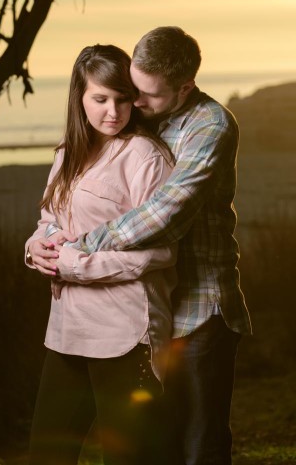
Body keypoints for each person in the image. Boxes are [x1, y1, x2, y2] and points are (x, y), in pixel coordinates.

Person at [32, 26, 252, 465]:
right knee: (162, 445)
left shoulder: (209, 125)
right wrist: (39, 243)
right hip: (152, 302)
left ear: (184, 87)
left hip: (199, 304)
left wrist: (77, 250)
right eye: (130, 89)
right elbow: (56, 212)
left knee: (198, 444)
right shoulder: (131, 121)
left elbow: (164, 213)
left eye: (144, 96)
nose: (133, 104)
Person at [24, 44, 179, 465]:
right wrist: (35, 247)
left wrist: (74, 264)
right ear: (79, 98)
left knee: (128, 459)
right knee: (46, 455)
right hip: (67, 331)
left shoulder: (145, 156)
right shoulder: (67, 153)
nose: (113, 111)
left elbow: (161, 252)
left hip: (125, 334)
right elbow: (50, 220)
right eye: (100, 99)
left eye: (122, 98)